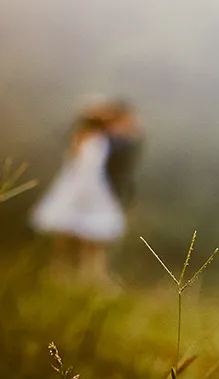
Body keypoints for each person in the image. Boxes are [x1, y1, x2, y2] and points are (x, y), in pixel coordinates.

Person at [29, 99, 140, 285]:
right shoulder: (87, 139)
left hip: (89, 189)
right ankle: (65, 272)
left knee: (88, 235)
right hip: (86, 189)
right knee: (74, 233)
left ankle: (85, 275)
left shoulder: (99, 139)